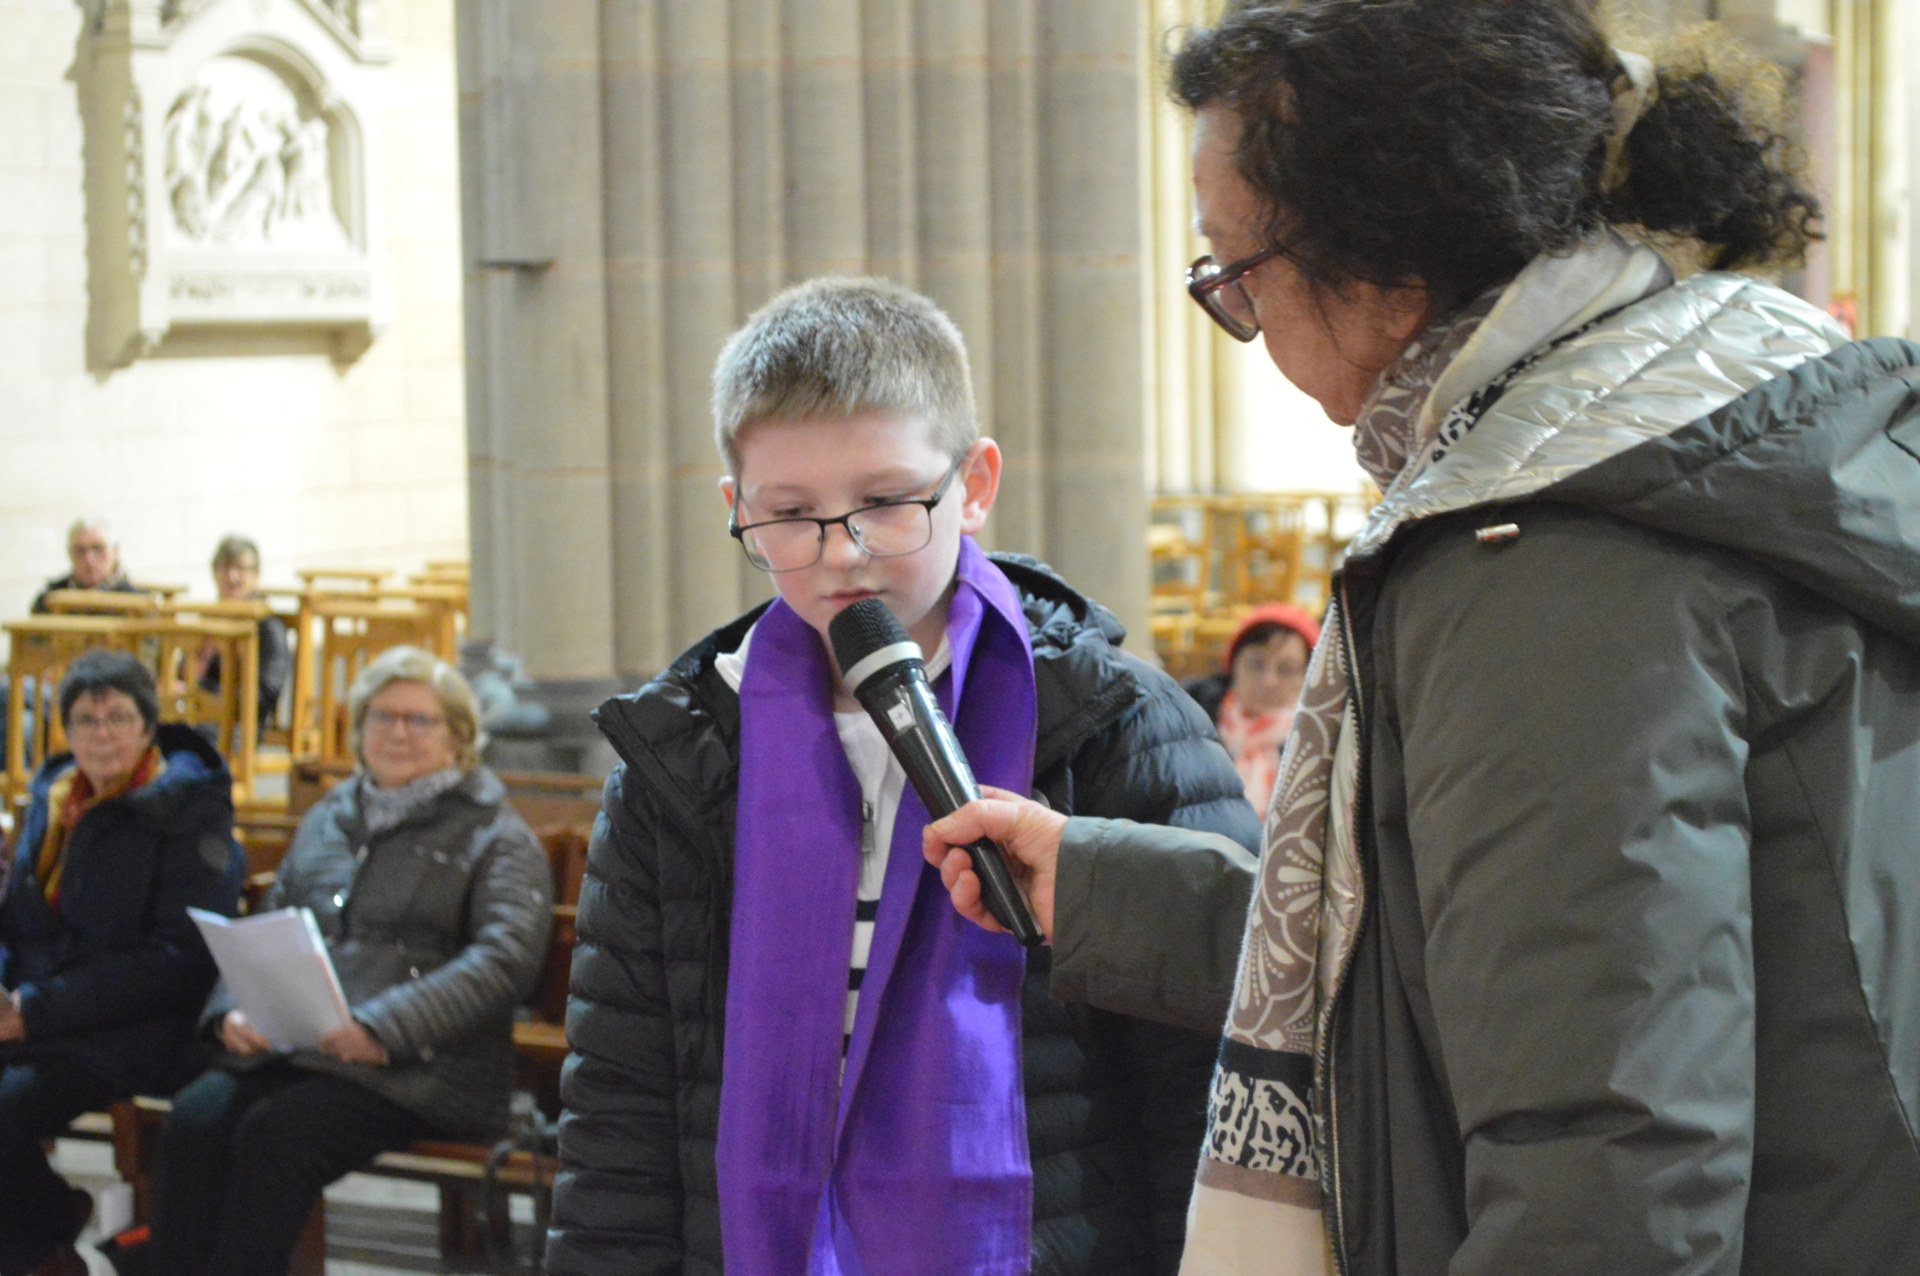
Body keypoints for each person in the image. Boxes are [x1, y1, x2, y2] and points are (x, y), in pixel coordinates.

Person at [923, 3, 1920, 1273]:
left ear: (1391, 266)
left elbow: (1603, 1147)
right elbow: (1474, 954)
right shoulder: (1750, 415)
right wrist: (1108, 890)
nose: (1239, 316)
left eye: (1235, 272)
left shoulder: (1551, 562)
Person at [546, 277, 1260, 1275]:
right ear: (735, 510)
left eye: (886, 502)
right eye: (790, 514)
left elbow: (1206, 1090)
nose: (843, 553)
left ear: (974, 483)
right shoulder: (684, 758)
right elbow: (619, 1105)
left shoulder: (1121, 730)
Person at [146, 645, 553, 1276]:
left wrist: (381, 1030)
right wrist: (232, 1012)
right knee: (194, 1121)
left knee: (275, 1137)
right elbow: (263, 929)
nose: (397, 732)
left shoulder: (495, 836)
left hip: (424, 1067)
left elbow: (504, 963)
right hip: (308, 1052)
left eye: (420, 720)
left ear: (460, 738)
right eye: (381, 716)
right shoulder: (328, 819)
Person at [0, 651, 244, 1276]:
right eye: (84, 719)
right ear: (65, 730)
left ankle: (45, 1239)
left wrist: (34, 1010)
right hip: (48, 1016)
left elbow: (180, 960)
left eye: (117, 717)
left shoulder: (188, 810)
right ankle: (43, 1233)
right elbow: (20, 920)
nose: (101, 734)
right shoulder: (57, 799)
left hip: (143, 1027)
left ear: (148, 725)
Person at [1182, 603, 1319, 812]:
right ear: (1233, 665)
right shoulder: (1190, 718)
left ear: (1308, 677)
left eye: (1286, 669)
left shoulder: (1317, 741)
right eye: (1256, 664)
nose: (1269, 681)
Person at [193, 534, 291, 732]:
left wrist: (213, 701)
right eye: (224, 568)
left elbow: (265, 695)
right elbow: (185, 678)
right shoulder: (207, 621)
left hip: (238, 728)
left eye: (240, 569)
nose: (231, 577)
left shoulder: (268, 629)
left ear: (256, 575)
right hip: (194, 718)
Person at [30, 518, 141, 613]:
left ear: (115, 552)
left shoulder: (138, 602)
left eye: (98, 548)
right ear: (70, 554)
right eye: (80, 551)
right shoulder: (49, 600)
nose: (89, 559)